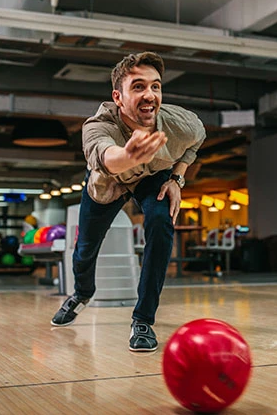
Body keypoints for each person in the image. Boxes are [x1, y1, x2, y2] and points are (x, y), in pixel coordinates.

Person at [50, 52, 207, 351]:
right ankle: (82, 293)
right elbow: (106, 155)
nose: (150, 95)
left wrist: (177, 178)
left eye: (156, 86)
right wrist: (128, 156)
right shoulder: (98, 125)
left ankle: (143, 320)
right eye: (138, 87)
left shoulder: (181, 124)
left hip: (152, 176)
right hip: (108, 181)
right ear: (118, 97)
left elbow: (198, 139)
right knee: (85, 248)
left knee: (162, 223)